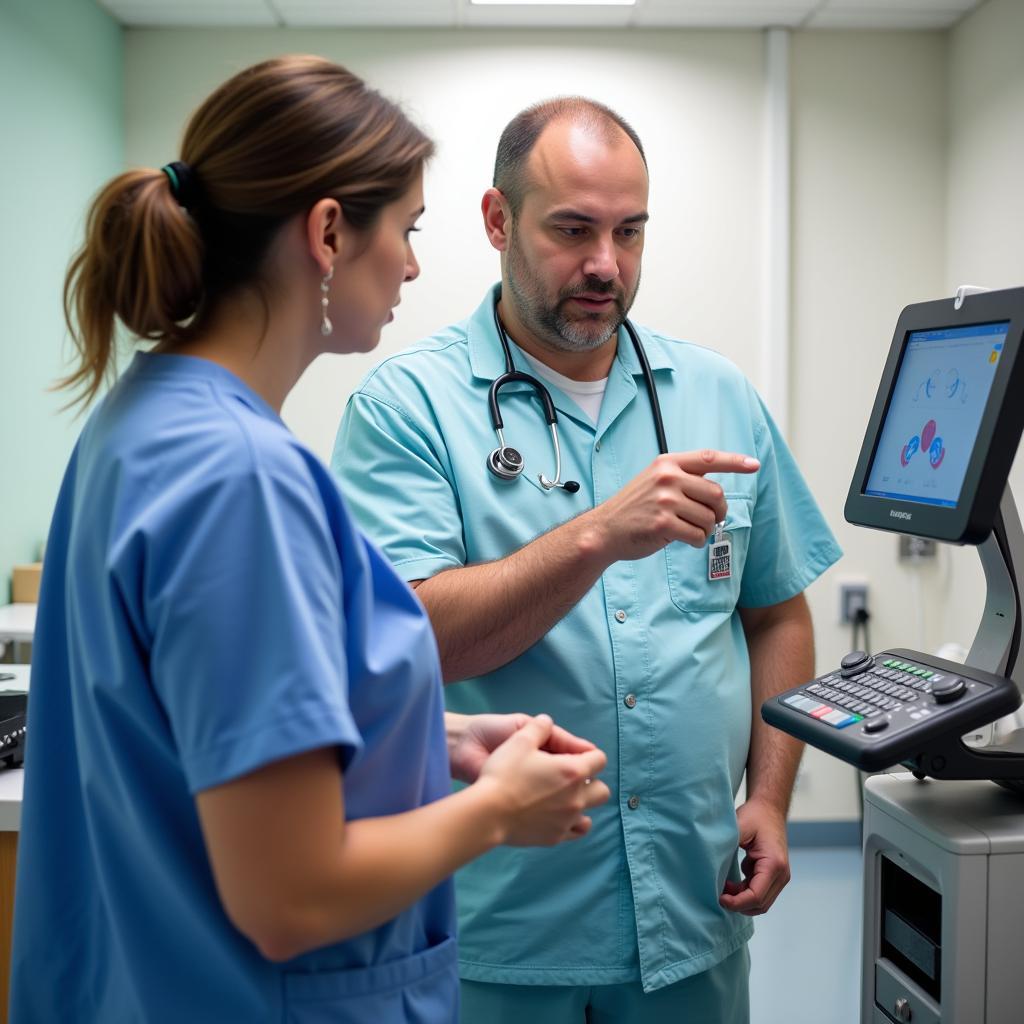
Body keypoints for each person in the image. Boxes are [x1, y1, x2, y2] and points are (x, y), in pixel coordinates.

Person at [9, 61, 611, 1024]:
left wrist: (433, 736)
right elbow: (290, 897)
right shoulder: (238, 478)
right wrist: (499, 809)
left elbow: (198, 722)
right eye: (407, 231)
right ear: (329, 233)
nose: (414, 266)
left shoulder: (141, 419)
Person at [332, 97, 843, 1023]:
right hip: (502, 924)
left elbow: (776, 612)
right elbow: (413, 641)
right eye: (572, 229)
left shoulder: (719, 394)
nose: (606, 264)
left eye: (629, 231)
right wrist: (598, 536)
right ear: (497, 221)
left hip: (694, 908)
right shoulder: (408, 407)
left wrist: (770, 798)